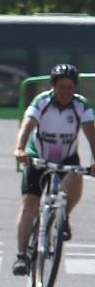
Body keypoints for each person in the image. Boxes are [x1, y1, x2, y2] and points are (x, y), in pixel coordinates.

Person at [12, 64, 95, 275]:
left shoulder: (80, 105)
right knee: (29, 204)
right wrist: (20, 148)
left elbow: (91, 135)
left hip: (66, 157)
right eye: (61, 87)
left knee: (76, 178)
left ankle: (63, 217)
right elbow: (27, 124)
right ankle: (21, 256)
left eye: (69, 87)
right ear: (53, 86)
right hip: (37, 156)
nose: (65, 91)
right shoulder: (42, 102)